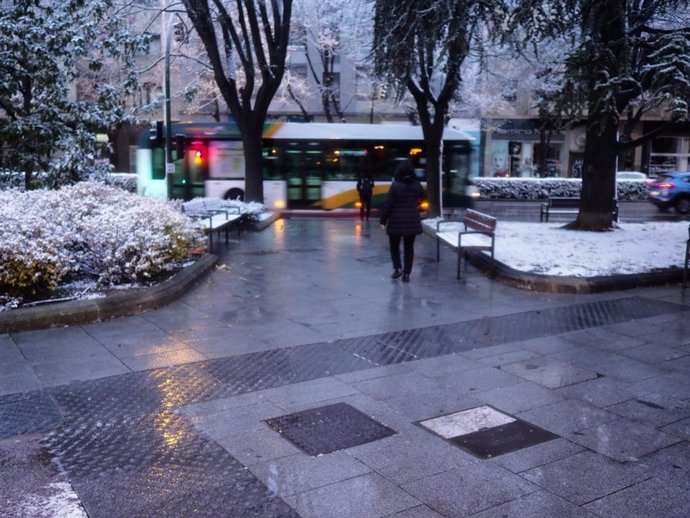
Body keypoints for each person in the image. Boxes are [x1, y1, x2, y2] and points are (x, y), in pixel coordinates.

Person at [379, 159, 426, 282]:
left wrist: (383, 221)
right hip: (412, 220)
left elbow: (388, 204)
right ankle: (406, 274)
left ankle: (398, 268)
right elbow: (423, 198)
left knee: (394, 245)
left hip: (396, 221)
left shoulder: (395, 186)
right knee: (409, 247)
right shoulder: (417, 185)